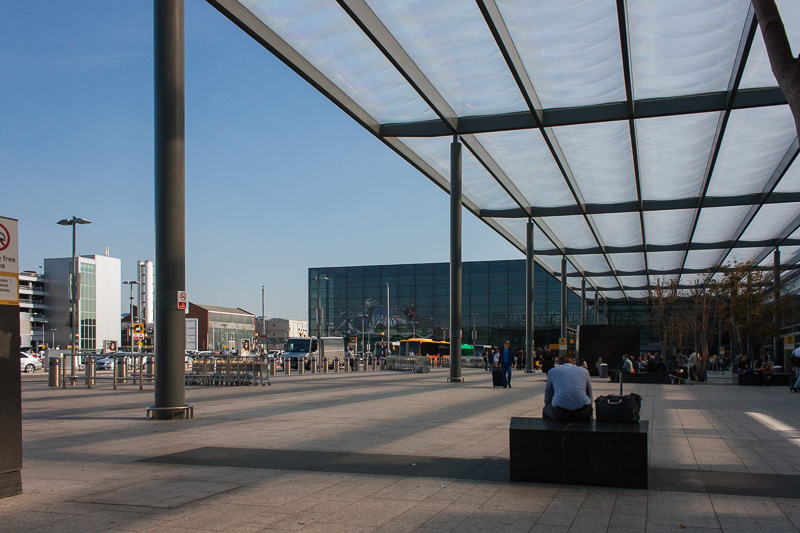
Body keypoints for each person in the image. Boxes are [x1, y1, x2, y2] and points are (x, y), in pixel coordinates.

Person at [543, 353, 594, 421]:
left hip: (561, 412)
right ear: (573, 362)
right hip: (583, 412)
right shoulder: (584, 371)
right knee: (588, 410)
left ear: (559, 362)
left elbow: (548, 395)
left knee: (546, 409)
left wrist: (549, 405)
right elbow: (589, 393)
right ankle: (590, 425)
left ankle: (549, 427)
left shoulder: (553, 371)